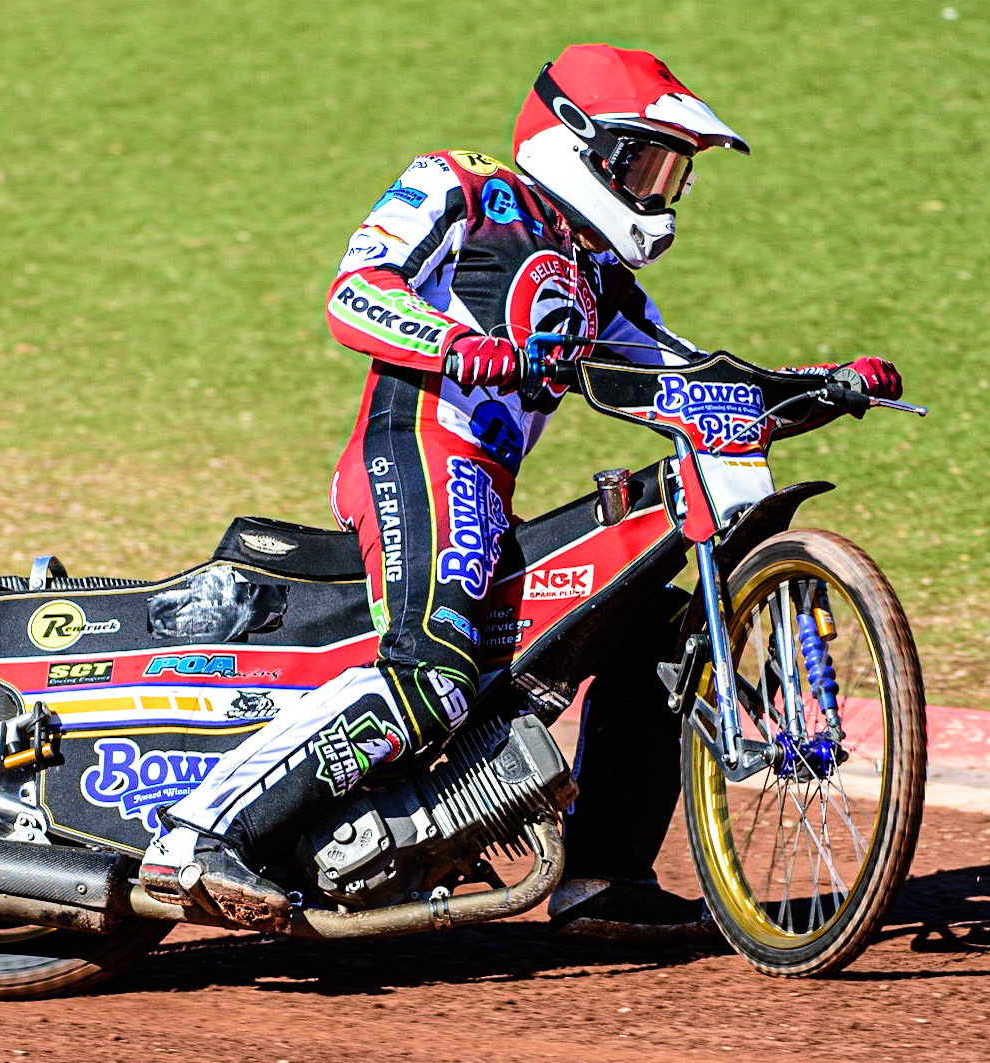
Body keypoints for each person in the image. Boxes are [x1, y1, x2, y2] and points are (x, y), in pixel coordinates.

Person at [142, 43, 903, 935]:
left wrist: (816, 388)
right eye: (643, 166)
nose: (658, 193)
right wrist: (455, 347)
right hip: (420, 446)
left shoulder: (602, 281)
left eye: (672, 176)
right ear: (575, 141)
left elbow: (687, 381)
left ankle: (603, 877)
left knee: (652, 626)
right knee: (432, 672)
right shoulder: (462, 186)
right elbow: (354, 295)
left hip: (488, 486)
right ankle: (197, 838)